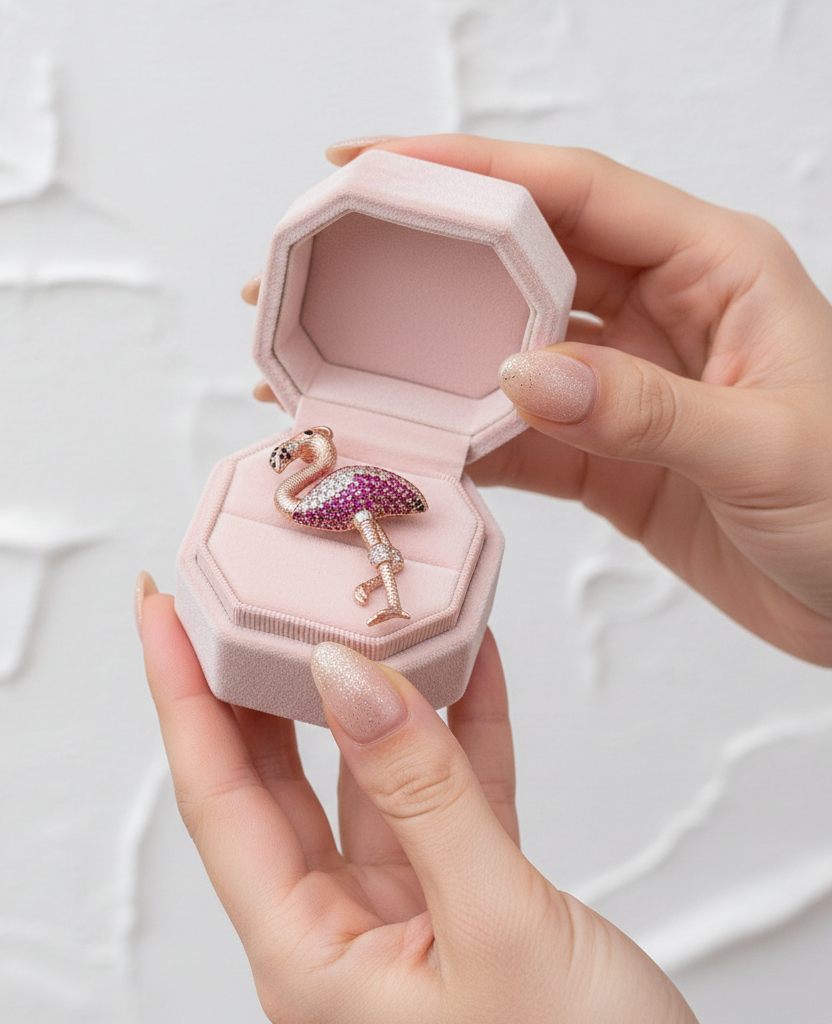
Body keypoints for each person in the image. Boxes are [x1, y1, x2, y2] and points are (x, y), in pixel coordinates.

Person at [136, 135, 832, 1023]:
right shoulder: (306, 477)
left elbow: (371, 519)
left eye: (299, 451)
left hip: (375, 518)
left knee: (375, 545)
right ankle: (387, 593)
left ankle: (389, 596)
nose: (290, 456)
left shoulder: (334, 484)